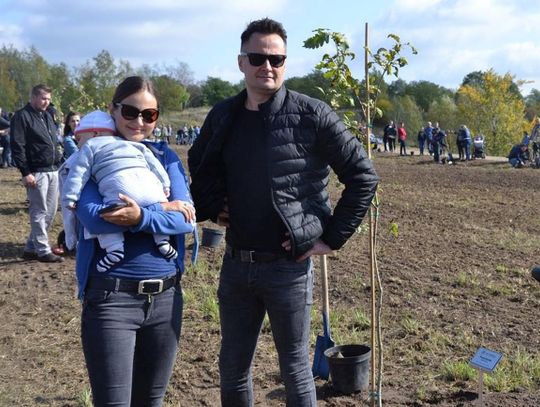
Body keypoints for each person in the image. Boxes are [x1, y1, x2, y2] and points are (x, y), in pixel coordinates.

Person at [188, 18, 379, 407]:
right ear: (241, 61)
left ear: (285, 63)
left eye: (277, 58)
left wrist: (329, 238)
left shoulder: (312, 114)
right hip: (237, 264)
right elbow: (200, 162)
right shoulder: (223, 115)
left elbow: (363, 177)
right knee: (233, 367)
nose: (268, 66)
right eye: (258, 57)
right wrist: (213, 205)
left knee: (294, 367)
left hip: (288, 267)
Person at [72, 76, 197, 406]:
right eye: (129, 111)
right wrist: (160, 208)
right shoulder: (97, 154)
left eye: (149, 115)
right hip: (111, 300)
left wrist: (139, 217)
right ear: (112, 110)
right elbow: (91, 215)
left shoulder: (166, 158)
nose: (139, 121)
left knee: (150, 401)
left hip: (167, 299)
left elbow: (186, 219)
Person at [62, 110, 180, 273]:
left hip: (121, 190)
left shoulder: (90, 146)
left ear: (95, 134)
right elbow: (154, 164)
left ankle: (114, 249)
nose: (77, 142)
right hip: (152, 188)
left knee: (109, 212)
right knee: (160, 207)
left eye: (79, 137)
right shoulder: (135, 145)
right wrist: (165, 185)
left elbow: (79, 173)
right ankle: (162, 241)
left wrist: (70, 197)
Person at [10, 84, 64, 262]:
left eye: (48, 99)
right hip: (36, 171)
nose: (46, 102)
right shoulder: (22, 116)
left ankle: (31, 248)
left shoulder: (48, 115)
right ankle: (42, 250)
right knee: (39, 211)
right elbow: (18, 145)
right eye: (43, 98)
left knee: (50, 211)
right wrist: (25, 172)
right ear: (33, 97)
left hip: (53, 169)